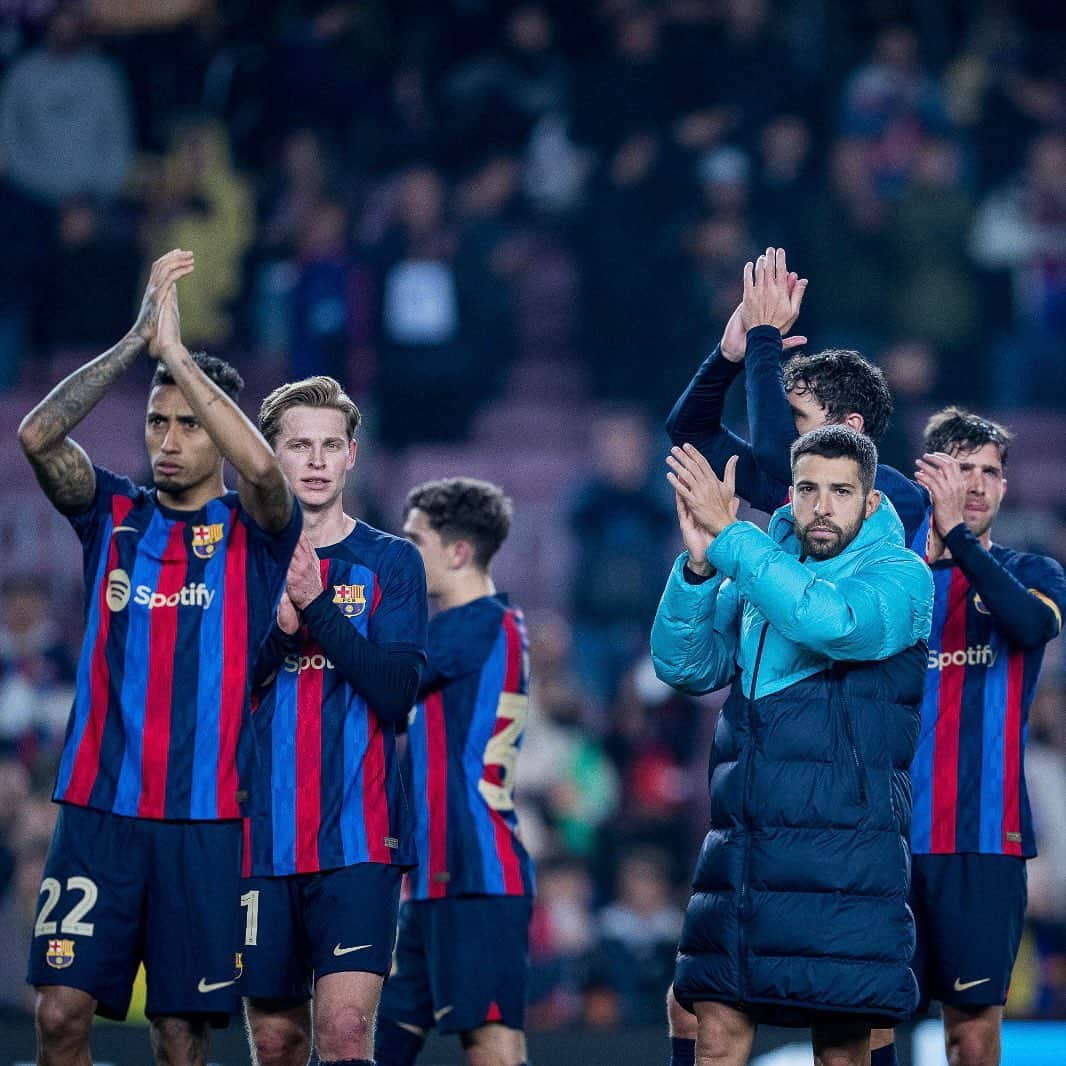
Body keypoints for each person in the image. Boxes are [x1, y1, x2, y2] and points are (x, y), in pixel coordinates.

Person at [18, 250, 301, 1065]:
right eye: (156, 421)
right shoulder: (110, 513)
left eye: (187, 424)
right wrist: (139, 340)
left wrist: (180, 357)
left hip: (204, 824)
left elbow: (265, 472)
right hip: (98, 814)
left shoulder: (256, 533)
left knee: (180, 1037)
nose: (169, 441)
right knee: (60, 1014)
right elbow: (38, 434)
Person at [651, 426, 933, 1066]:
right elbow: (685, 667)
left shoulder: (901, 576)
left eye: (841, 491)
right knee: (715, 1032)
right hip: (745, 852)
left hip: (844, 860)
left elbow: (828, 623)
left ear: (870, 501)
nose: (822, 506)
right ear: (790, 495)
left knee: (840, 1049)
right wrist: (697, 568)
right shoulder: (763, 564)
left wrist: (733, 539)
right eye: (808, 488)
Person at [240, 376, 428, 1066]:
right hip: (258, 840)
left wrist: (317, 609)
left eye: (329, 445)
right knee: (277, 1040)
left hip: (359, 842)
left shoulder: (391, 562)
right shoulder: (239, 559)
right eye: (298, 446)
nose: (315, 460)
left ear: (352, 455)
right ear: (271, 457)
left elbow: (397, 696)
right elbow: (222, 694)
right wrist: (282, 635)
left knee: (347, 1034)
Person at [902, 408, 1066, 1066]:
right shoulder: (891, 576)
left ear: (1003, 488)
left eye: (990, 472)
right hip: (882, 839)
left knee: (972, 1033)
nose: (977, 483)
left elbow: (1029, 626)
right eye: (961, 468)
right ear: (929, 475)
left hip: (981, 838)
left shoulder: (1034, 571)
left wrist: (958, 540)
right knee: (868, 1022)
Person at [376, 478, 535, 1066]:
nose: (403, 553)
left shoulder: (475, 625)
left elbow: (383, 677)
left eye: (415, 540)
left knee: (490, 1043)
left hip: (478, 876)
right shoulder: (479, 629)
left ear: (459, 552)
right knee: (377, 1040)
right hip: (434, 880)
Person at [665, 247, 928, 544]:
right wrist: (727, 357)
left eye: (795, 417)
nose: (777, 425)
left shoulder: (892, 494)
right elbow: (690, 432)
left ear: (849, 425)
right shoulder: (789, 487)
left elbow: (776, 451)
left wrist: (763, 339)